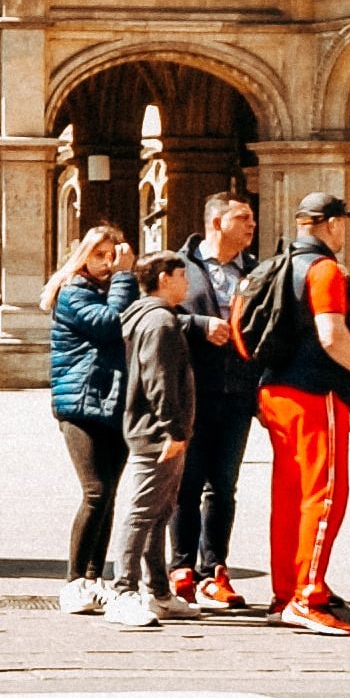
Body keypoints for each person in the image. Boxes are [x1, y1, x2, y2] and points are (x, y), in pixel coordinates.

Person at [237, 190, 350, 634]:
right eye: (343, 223)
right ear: (331, 224)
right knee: (325, 496)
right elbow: (331, 333)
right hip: (317, 393)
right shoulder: (324, 270)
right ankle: (307, 592)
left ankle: (285, 592)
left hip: (275, 391)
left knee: (289, 496)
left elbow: (239, 328)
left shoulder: (269, 267)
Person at [172, 193, 264, 608]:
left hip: (238, 392)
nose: (251, 225)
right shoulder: (178, 266)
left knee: (224, 485)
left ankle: (215, 570)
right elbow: (154, 315)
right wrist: (199, 324)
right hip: (191, 390)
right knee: (186, 484)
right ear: (216, 223)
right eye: (242, 218)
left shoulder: (256, 272)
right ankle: (181, 567)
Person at [106, 248, 202, 626]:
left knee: (160, 511)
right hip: (157, 432)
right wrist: (174, 429)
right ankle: (123, 590)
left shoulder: (155, 317)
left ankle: (159, 591)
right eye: (182, 275)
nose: (187, 283)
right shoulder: (159, 321)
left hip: (159, 430)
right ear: (164, 278)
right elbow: (158, 379)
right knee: (142, 511)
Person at [45, 223, 135, 611]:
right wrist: (125, 275)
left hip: (113, 401)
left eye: (112, 254)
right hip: (81, 402)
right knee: (95, 491)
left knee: (109, 495)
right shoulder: (74, 292)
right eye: (99, 254)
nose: (107, 262)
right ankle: (73, 580)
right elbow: (111, 325)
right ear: (83, 256)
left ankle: (94, 579)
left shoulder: (109, 289)